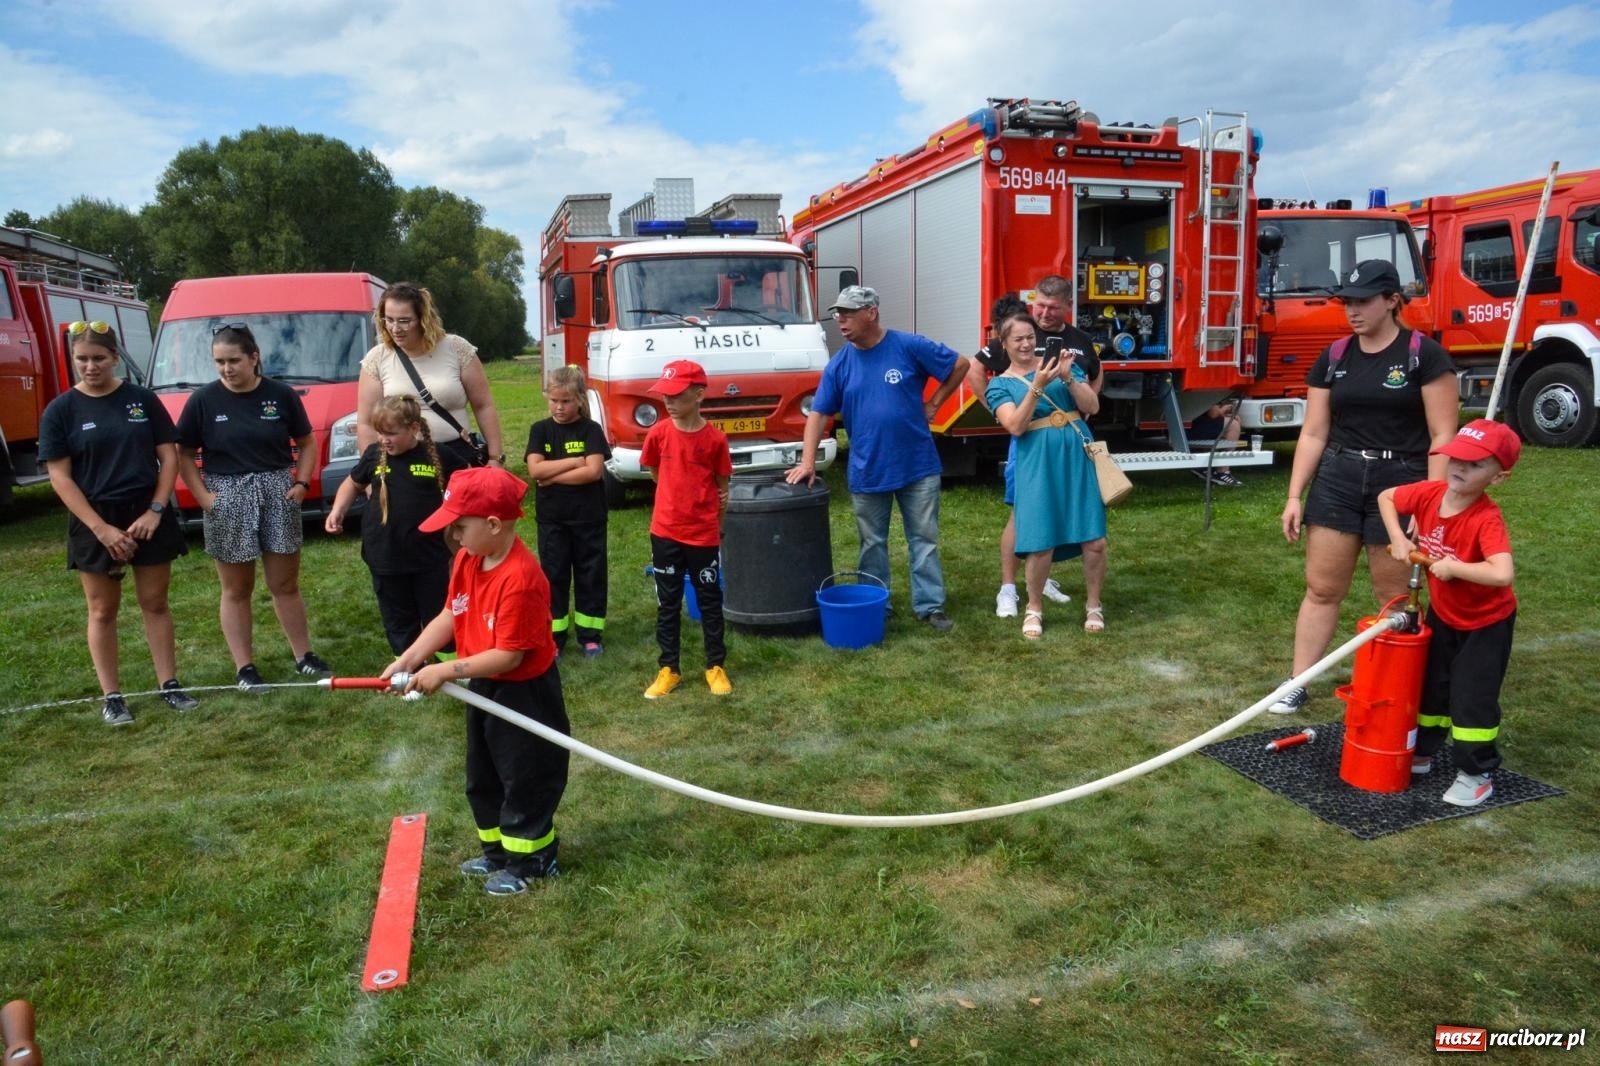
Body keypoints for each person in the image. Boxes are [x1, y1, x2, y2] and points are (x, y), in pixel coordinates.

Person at [1272, 260, 1458, 713]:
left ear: (1392, 301)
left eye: (1362, 301)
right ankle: (1298, 680)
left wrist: (1431, 503)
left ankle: (1397, 689)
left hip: (1402, 485)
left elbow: (1443, 436)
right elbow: (1315, 432)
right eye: (1347, 302)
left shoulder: (1425, 355)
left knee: (1392, 597)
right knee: (1321, 588)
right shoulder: (1334, 356)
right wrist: (1295, 495)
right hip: (1338, 479)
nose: (1352, 311)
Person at [382, 466, 568, 895]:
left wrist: (444, 670)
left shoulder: (520, 579)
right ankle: (497, 852)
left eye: (460, 526)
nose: (453, 535)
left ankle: (533, 861)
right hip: (486, 684)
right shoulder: (468, 558)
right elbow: (452, 614)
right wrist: (410, 656)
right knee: (483, 773)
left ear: (493, 524)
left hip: (524, 692)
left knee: (525, 776)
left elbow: (508, 655)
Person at [39, 320, 198, 725]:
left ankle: (170, 685)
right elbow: (60, 477)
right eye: (82, 359)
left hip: (146, 512)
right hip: (95, 518)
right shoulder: (60, 411)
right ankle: (112, 696)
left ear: (115, 359)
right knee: (102, 610)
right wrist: (101, 529)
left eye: (99, 358)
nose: (90, 367)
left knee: (155, 603)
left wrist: (156, 510)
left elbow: (169, 457)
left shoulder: (141, 400)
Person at [786, 286, 970, 631]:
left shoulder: (908, 346)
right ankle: (874, 603)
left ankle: (930, 606)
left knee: (924, 539)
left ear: (871, 312)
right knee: (872, 542)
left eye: (848, 312)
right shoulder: (840, 364)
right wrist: (807, 461)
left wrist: (934, 404)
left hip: (917, 465)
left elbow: (960, 364)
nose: (840, 319)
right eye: (837, 313)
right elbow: (817, 415)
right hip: (868, 469)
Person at [176, 324, 334, 691]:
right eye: (219, 362)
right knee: (236, 589)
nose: (227, 369)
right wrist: (204, 498)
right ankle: (245, 668)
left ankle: (303, 656)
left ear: (254, 358)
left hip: (277, 491)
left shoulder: (280, 395)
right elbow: (183, 454)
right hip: (226, 495)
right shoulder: (203, 400)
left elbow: (307, 444)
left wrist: (301, 483)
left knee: (284, 583)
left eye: (234, 360)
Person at [1378, 419, 1520, 807]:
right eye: (1456, 458)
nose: (1460, 468)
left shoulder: (1485, 519)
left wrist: (1456, 568)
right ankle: (1422, 752)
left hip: (1485, 623)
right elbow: (1388, 497)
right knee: (1431, 686)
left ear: (1499, 477)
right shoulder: (1429, 494)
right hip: (1445, 612)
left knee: (1471, 696)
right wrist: (1397, 538)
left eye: (1476, 465)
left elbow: (1502, 572)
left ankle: (1476, 773)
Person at [966, 278, 1102, 617]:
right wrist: (997, 407)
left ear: (1068, 307)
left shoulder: (1079, 341)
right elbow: (975, 369)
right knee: (1024, 513)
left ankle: (1043, 578)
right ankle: (1009, 588)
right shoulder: (1018, 331)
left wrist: (1081, 407)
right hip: (1029, 440)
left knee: (1068, 514)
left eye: (1052, 308)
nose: (1043, 313)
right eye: (1039, 305)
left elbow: (1096, 376)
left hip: (1069, 439)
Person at [324, 395, 452, 654]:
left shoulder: (439, 455)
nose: (384, 439)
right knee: (398, 617)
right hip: (385, 554)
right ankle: (407, 670)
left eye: (391, 433)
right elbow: (352, 483)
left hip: (429, 554)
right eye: (380, 432)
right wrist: (338, 510)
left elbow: (467, 488)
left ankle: (450, 664)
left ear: (414, 428)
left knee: (437, 611)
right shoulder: (374, 455)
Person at [639, 360, 733, 698]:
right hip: (665, 532)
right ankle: (669, 669)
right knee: (668, 603)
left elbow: (723, 488)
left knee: (709, 601)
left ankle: (715, 667)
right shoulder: (659, 433)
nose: (668, 402)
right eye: (665, 395)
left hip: (703, 535)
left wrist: (715, 527)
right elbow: (652, 469)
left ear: (699, 395)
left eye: (676, 395)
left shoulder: (715, 440)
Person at [358, 281, 507, 472]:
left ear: (423, 318)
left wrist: (495, 459)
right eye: (389, 319)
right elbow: (366, 424)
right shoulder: (376, 358)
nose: (395, 328)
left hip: (457, 457)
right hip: (401, 464)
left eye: (404, 321)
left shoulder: (457, 348)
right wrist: (372, 477)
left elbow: (483, 405)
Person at [525, 365, 611, 659]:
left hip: (589, 519)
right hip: (553, 521)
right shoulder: (540, 430)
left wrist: (552, 476)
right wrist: (575, 462)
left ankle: (590, 636)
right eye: (554, 400)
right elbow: (535, 469)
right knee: (554, 577)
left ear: (580, 400)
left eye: (566, 401)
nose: (559, 407)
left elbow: (593, 472)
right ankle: (555, 636)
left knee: (591, 576)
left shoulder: (591, 430)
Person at [1189, 400, 1244, 487]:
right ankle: (1222, 472)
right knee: (1233, 425)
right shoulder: (1204, 389)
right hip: (1189, 428)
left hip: (1181, 425)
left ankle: (1204, 467)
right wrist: (1226, 408)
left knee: (1223, 422)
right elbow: (1213, 413)